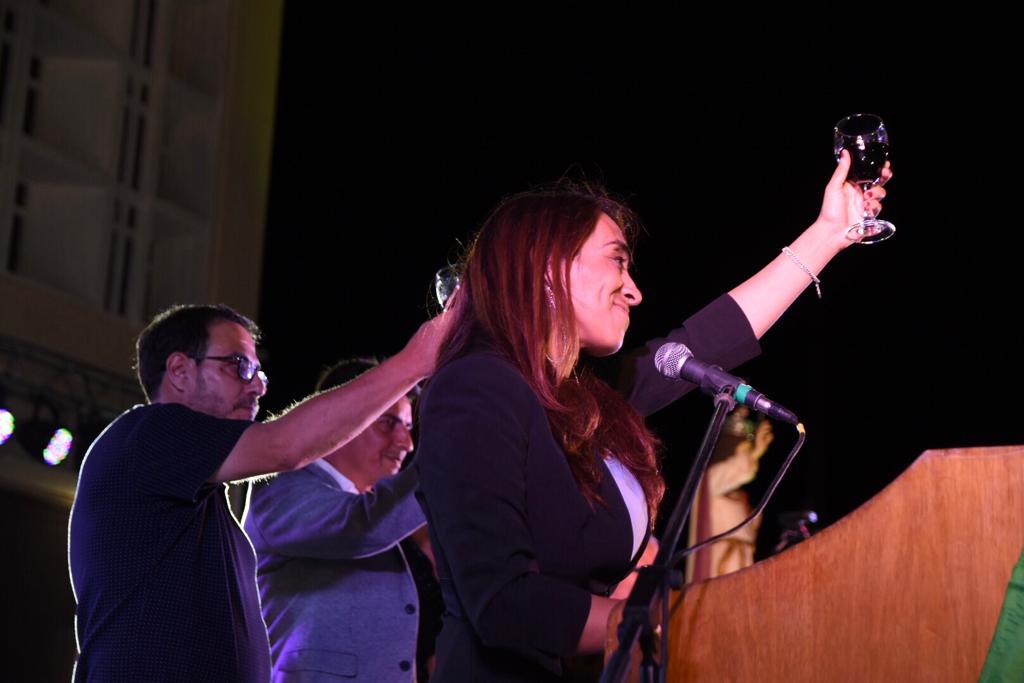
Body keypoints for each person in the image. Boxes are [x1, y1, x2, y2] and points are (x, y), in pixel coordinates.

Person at [414, 151, 891, 681]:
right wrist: (663, 622)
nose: (634, 290)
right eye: (617, 261)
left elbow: (711, 338)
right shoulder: (474, 388)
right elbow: (503, 602)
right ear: (548, 267)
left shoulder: (584, 401)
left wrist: (829, 234)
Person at [67, 304, 447, 682]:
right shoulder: (147, 434)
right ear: (180, 371)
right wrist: (416, 360)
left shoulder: (201, 504)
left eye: (259, 372)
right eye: (239, 366)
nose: (258, 386)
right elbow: (284, 446)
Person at [245, 359, 443, 682]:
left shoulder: (369, 506)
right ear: (343, 419)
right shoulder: (279, 488)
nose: (406, 444)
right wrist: (448, 452)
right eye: (387, 423)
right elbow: (362, 528)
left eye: (408, 427)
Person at [686, 406, 774, 583]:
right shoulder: (710, 481)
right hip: (718, 566)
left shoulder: (742, 498)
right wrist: (755, 452)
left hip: (743, 564)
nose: (747, 455)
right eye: (743, 450)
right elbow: (739, 469)